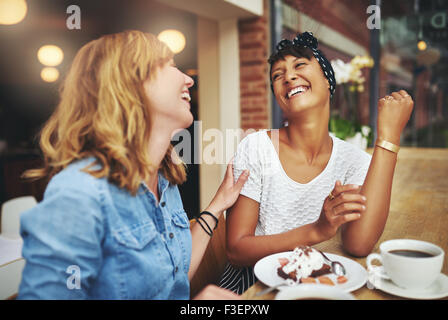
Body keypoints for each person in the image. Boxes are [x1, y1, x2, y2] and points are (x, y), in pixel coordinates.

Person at [17, 30, 248, 299]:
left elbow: (174, 278)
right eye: (172, 66)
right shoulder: (79, 193)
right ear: (131, 84)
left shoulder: (165, 179)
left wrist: (218, 204)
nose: (188, 79)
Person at [219, 32, 414, 294]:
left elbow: (359, 244)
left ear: (328, 81)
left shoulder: (354, 160)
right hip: (251, 287)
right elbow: (236, 250)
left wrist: (388, 138)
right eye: (277, 75)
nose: (288, 77)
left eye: (300, 66)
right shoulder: (255, 148)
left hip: (316, 285)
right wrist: (318, 230)